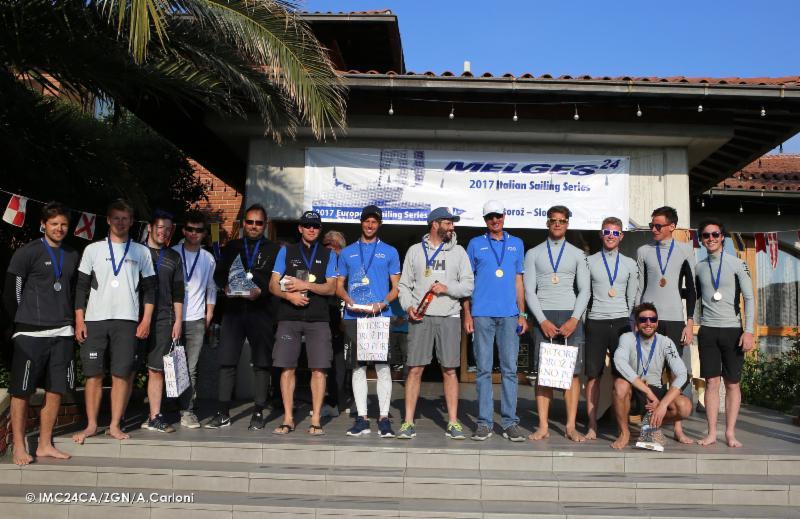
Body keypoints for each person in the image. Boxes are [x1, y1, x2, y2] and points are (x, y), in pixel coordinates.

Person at [73, 199, 156, 442]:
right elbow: (80, 288)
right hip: (95, 320)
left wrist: (146, 319)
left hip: (127, 320)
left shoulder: (141, 251)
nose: (120, 222)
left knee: (121, 374)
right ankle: (90, 425)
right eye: (116, 218)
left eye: (125, 218)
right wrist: (79, 319)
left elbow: (150, 289)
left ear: (131, 222)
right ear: (108, 220)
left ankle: (115, 425)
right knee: (93, 375)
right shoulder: (93, 250)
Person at [4, 202, 78, 465]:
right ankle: (20, 444)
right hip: (30, 333)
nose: (59, 228)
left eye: (64, 224)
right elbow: (12, 293)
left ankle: (45, 444)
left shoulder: (71, 255)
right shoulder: (27, 252)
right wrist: (21, 323)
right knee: (21, 390)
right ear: (44, 225)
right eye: (54, 224)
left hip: (63, 331)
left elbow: (75, 292)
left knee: (56, 388)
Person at [398, 207, 474, 439]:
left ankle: (453, 422)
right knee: (415, 369)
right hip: (421, 317)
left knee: (450, 370)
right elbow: (404, 285)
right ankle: (408, 422)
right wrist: (408, 306)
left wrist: (447, 288)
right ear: (435, 224)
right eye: (448, 223)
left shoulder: (459, 252)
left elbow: (469, 286)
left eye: (452, 223)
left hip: (449, 316)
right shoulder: (414, 251)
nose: (452, 227)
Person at [206, 204, 281, 429]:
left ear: (265, 225)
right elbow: (218, 275)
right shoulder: (232, 247)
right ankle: (222, 413)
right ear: (243, 224)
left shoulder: (275, 249)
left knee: (261, 362)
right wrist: (226, 287)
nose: (254, 226)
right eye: (250, 222)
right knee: (227, 361)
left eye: (259, 223)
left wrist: (262, 291)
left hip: (261, 312)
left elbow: (279, 280)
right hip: (233, 312)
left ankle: (258, 412)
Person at [524, 205, 590, 442]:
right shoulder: (533, 253)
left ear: (567, 224)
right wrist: (541, 320)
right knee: (545, 374)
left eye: (562, 220)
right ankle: (542, 426)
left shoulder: (577, 254)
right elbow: (529, 291)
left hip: (570, 316)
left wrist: (575, 318)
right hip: (544, 316)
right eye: (553, 220)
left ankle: (570, 427)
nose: (557, 224)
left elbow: (585, 290)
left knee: (572, 375)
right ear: (547, 223)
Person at [269, 211, 338, 435]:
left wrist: (304, 285)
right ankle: (288, 418)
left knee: (319, 369)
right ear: (300, 228)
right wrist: (290, 296)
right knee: (287, 367)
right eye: (307, 225)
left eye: (316, 226)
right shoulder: (286, 251)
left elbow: (331, 288)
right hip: (289, 317)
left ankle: (316, 419)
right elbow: (272, 285)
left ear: (319, 229)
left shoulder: (328, 254)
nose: (311, 229)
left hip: (318, 318)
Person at [464, 200, 528, 442]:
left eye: (498, 216)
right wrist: (467, 313)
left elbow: (518, 281)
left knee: (510, 370)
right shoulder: (475, 244)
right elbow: (467, 282)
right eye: (490, 217)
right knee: (482, 370)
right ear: (485, 220)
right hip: (481, 313)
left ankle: (510, 422)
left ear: (504, 216)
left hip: (510, 315)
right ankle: (484, 422)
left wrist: (522, 313)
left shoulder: (517, 244)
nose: (495, 220)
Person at [336, 205, 401, 438]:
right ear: (361, 223)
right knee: (358, 367)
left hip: (380, 315)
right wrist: (347, 299)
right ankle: (362, 418)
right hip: (355, 316)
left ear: (379, 224)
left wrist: (383, 303)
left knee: (383, 367)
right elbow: (338, 285)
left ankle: (384, 418)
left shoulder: (390, 251)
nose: (370, 225)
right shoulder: (347, 253)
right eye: (366, 221)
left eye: (374, 222)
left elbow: (397, 288)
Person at [635, 206, 697, 444]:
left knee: (674, 373)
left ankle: (678, 429)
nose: (653, 229)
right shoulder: (643, 251)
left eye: (658, 225)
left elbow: (691, 290)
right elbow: (640, 287)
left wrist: (690, 322)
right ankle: (649, 427)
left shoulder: (685, 250)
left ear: (672, 226)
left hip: (674, 319)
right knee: (648, 371)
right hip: (648, 319)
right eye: (651, 225)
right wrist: (635, 318)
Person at [694, 218, 755, 448]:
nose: (711, 239)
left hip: (733, 330)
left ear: (722, 237)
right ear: (701, 240)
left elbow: (749, 298)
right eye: (706, 235)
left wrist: (748, 332)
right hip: (708, 330)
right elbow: (694, 299)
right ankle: (711, 433)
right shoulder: (699, 267)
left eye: (715, 234)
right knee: (711, 382)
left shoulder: (737, 263)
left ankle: (729, 433)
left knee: (732, 383)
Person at [584, 216, 638, 439]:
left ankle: (621, 428)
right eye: (607, 232)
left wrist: (631, 325)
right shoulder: (589, 262)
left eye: (615, 233)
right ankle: (592, 425)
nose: (610, 236)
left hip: (621, 324)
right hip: (596, 321)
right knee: (593, 376)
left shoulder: (630, 264)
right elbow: (584, 295)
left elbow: (633, 298)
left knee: (621, 377)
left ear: (621, 236)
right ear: (600, 234)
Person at [611, 303, 692, 449]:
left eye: (652, 319)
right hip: (635, 391)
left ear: (657, 322)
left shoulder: (665, 342)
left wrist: (663, 405)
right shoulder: (627, 338)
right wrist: (647, 391)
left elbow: (682, 374)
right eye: (643, 320)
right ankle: (624, 433)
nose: (648, 323)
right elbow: (619, 361)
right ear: (636, 323)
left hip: (656, 392)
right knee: (620, 385)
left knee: (684, 406)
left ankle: (650, 425)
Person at [137, 210, 184, 433]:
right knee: (125, 369)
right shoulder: (135, 251)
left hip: (164, 318)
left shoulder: (174, 257)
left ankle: (154, 416)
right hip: (133, 317)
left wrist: (178, 321)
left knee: (157, 369)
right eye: (160, 227)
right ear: (149, 227)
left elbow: (178, 292)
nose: (163, 232)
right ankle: (116, 421)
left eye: (168, 228)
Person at [172, 210, 217, 428]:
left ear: (204, 234)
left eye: (198, 230)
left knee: (190, 367)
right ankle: (163, 408)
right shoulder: (172, 253)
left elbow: (211, 288)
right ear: (183, 230)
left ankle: (187, 410)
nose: (193, 233)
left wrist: (208, 315)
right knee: (170, 365)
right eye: (189, 229)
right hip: (172, 319)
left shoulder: (208, 258)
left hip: (197, 319)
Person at [321, 229, 348, 416]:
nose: (331, 250)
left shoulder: (347, 263)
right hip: (324, 315)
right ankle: (330, 400)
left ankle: (342, 399)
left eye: (335, 247)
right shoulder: (321, 263)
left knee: (345, 361)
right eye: (327, 246)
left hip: (346, 314)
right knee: (325, 360)